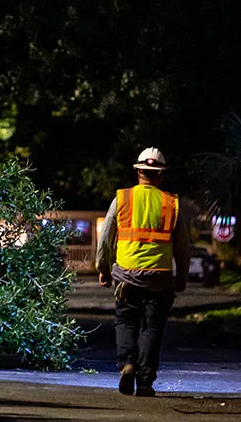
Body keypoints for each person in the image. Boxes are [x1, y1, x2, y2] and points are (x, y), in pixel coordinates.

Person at [96, 147, 190, 397]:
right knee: (152, 328)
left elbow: (106, 237)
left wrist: (103, 268)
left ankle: (127, 364)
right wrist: (180, 278)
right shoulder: (171, 204)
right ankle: (145, 381)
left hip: (126, 276)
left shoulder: (122, 199)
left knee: (126, 321)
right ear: (161, 175)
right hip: (159, 278)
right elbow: (182, 246)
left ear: (138, 171)